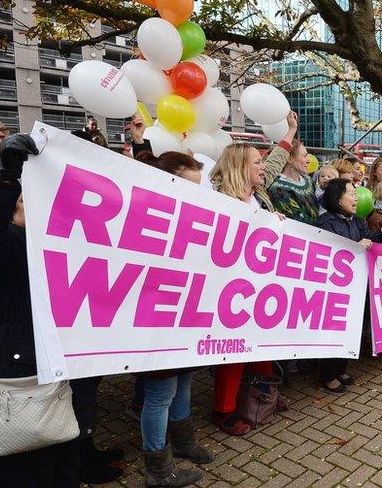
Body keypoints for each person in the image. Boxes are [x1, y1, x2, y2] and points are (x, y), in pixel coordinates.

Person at [0, 134, 97, 486]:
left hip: (62, 372)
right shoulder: (2, 246)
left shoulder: (63, 245)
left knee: (64, 464)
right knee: (26, 471)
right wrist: (2, 179)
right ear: (13, 206)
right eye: (30, 199)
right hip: (20, 378)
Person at [134, 151, 213, 486]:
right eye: (189, 184)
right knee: (160, 394)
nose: (195, 191)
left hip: (186, 314)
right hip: (157, 318)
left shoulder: (193, 212)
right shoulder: (146, 211)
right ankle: (158, 469)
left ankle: (183, 443)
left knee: (183, 384)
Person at [208, 143, 287, 435]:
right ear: (240, 166)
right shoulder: (218, 199)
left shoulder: (260, 198)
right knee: (236, 347)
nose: (263, 167)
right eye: (257, 162)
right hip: (230, 284)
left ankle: (265, 394)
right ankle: (224, 410)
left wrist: (274, 222)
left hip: (259, 282)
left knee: (260, 340)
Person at [315, 179, 382, 392]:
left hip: (356, 287)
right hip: (336, 289)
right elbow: (329, 252)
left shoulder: (357, 221)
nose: (356, 197)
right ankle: (327, 374)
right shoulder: (325, 223)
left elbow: (368, 239)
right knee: (335, 330)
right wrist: (355, 247)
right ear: (337, 198)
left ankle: (341, 368)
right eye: (351, 193)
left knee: (353, 328)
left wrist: (381, 234)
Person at [267, 138, 319, 224]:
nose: (309, 160)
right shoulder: (278, 189)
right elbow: (297, 220)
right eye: (304, 156)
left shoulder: (308, 180)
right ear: (290, 159)